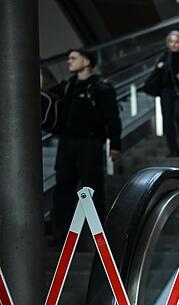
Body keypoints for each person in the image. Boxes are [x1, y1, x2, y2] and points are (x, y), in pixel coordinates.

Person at [46, 49, 122, 242]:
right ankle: (60, 232)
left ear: (86, 61)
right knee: (63, 187)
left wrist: (115, 145)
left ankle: (97, 233)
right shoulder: (67, 86)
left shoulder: (101, 87)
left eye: (73, 58)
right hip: (67, 143)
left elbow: (113, 118)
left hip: (91, 143)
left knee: (93, 188)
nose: (69, 62)